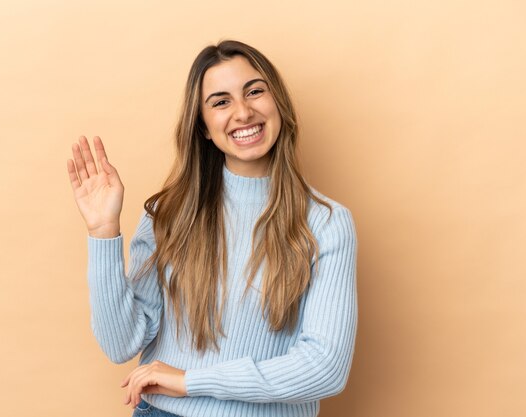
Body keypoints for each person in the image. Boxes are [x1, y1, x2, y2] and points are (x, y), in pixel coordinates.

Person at [66, 39, 358, 417]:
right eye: (221, 102)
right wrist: (103, 232)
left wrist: (191, 381)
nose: (243, 111)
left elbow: (326, 368)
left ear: (278, 104)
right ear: (203, 127)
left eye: (254, 91)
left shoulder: (326, 223)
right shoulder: (168, 214)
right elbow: (120, 344)